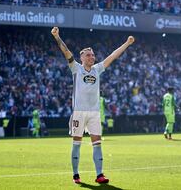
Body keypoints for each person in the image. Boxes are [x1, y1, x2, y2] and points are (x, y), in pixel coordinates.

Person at [51, 27, 134, 184]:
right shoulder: (76, 68)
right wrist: (57, 36)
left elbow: (112, 56)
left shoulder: (97, 69)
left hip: (94, 113)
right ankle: (76, 174)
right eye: (88, 55)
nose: (92, 57)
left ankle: (99, 174)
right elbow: (66, 51)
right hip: (79, 113)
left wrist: (126, 43)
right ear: (81, 57)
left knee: (97, 143)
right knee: (77, 144)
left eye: (93, 55)